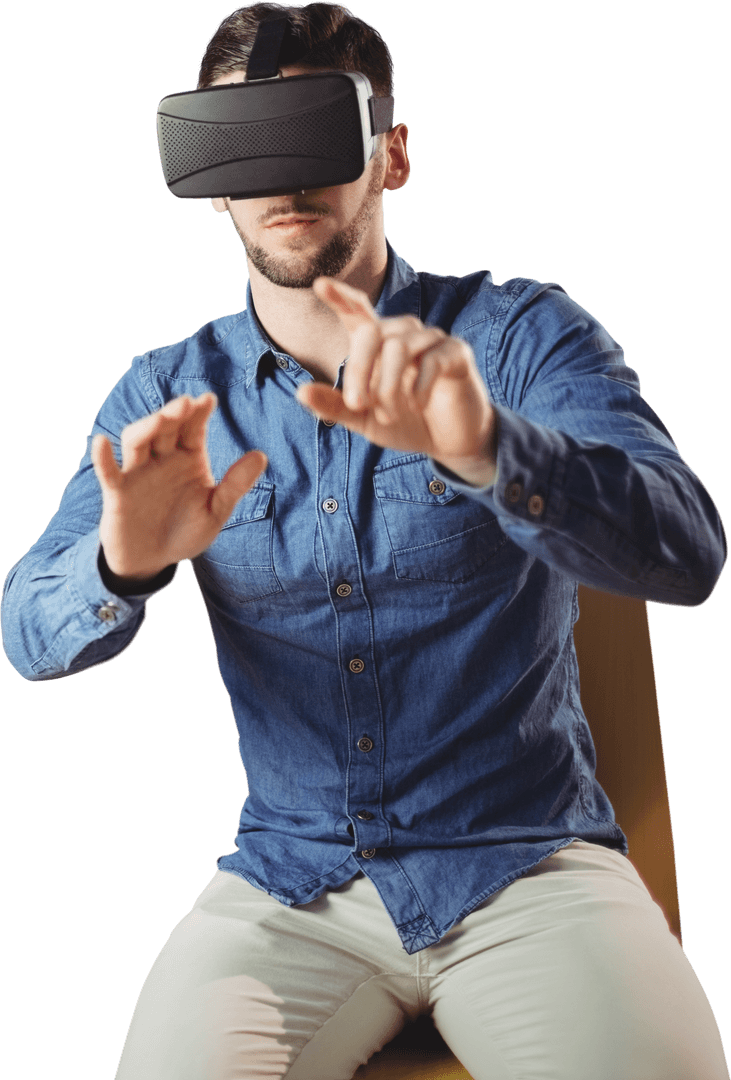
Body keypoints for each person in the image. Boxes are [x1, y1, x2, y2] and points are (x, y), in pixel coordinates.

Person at [2, 2, 728, 1078]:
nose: (283, 180)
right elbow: (25, 633)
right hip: (289, 886)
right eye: (247, 145)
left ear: (390, 153)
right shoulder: (165, 398)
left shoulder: (516, 338)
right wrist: (123, 562)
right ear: (212, 177)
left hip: (524, 867)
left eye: (314, 135)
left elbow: (688, 552)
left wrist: (486, 448)